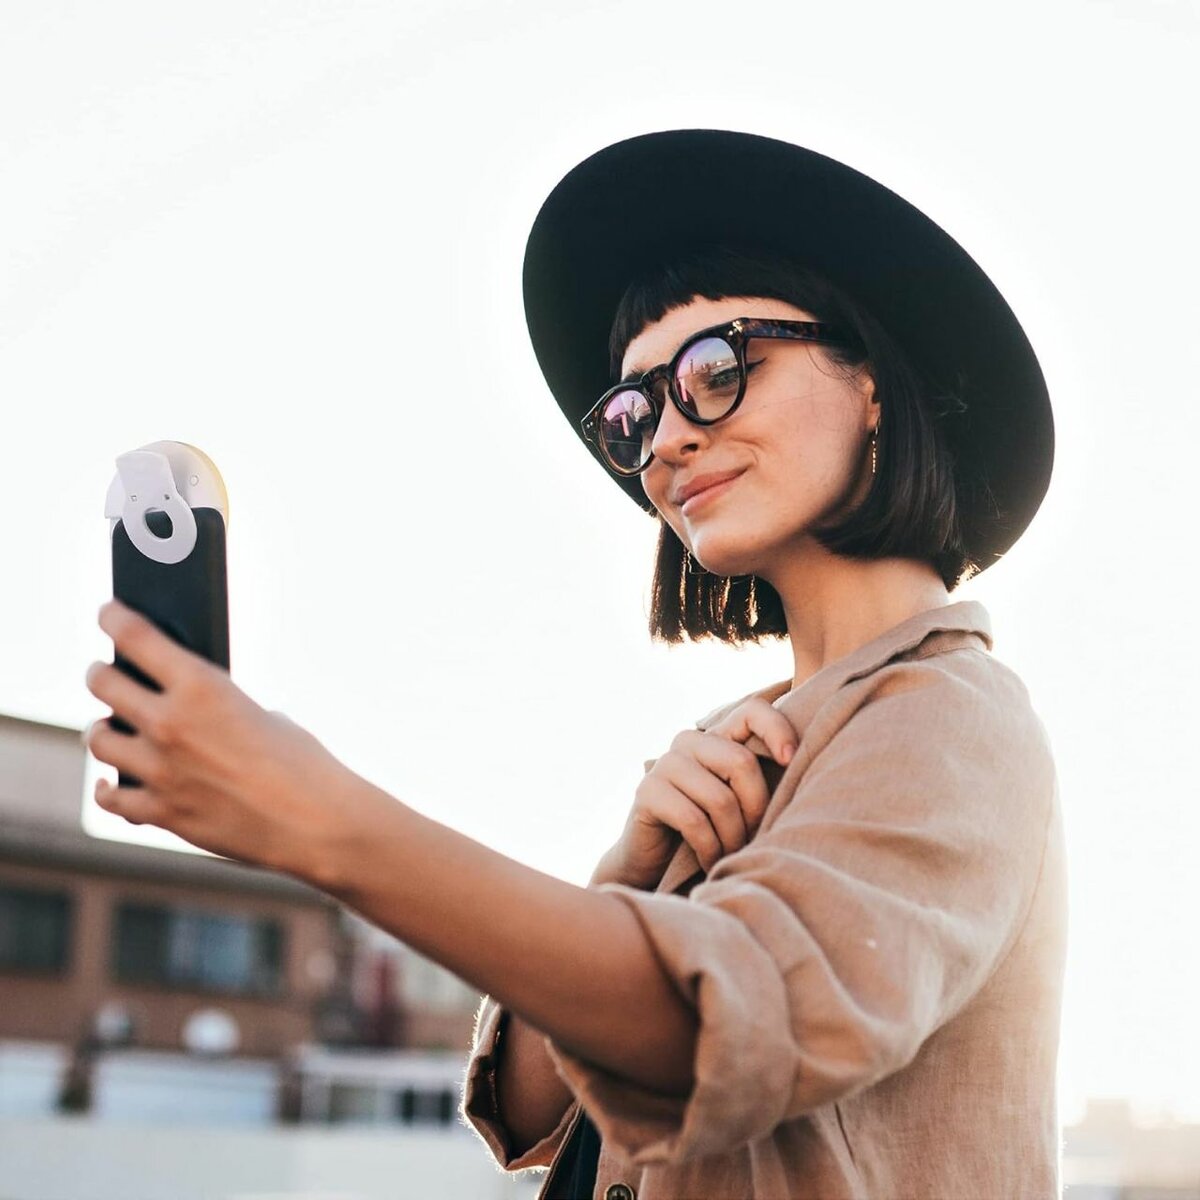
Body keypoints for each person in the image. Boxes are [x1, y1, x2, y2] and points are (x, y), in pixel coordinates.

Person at [82, 129, 1066, 1199]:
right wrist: (631, 874)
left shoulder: (948, 715)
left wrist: (316, 817)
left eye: (716, 368)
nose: (668, 442)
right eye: (634, 414)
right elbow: (548, 1108)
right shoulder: (753, 744)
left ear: (871, 381)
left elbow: (701, 1034)